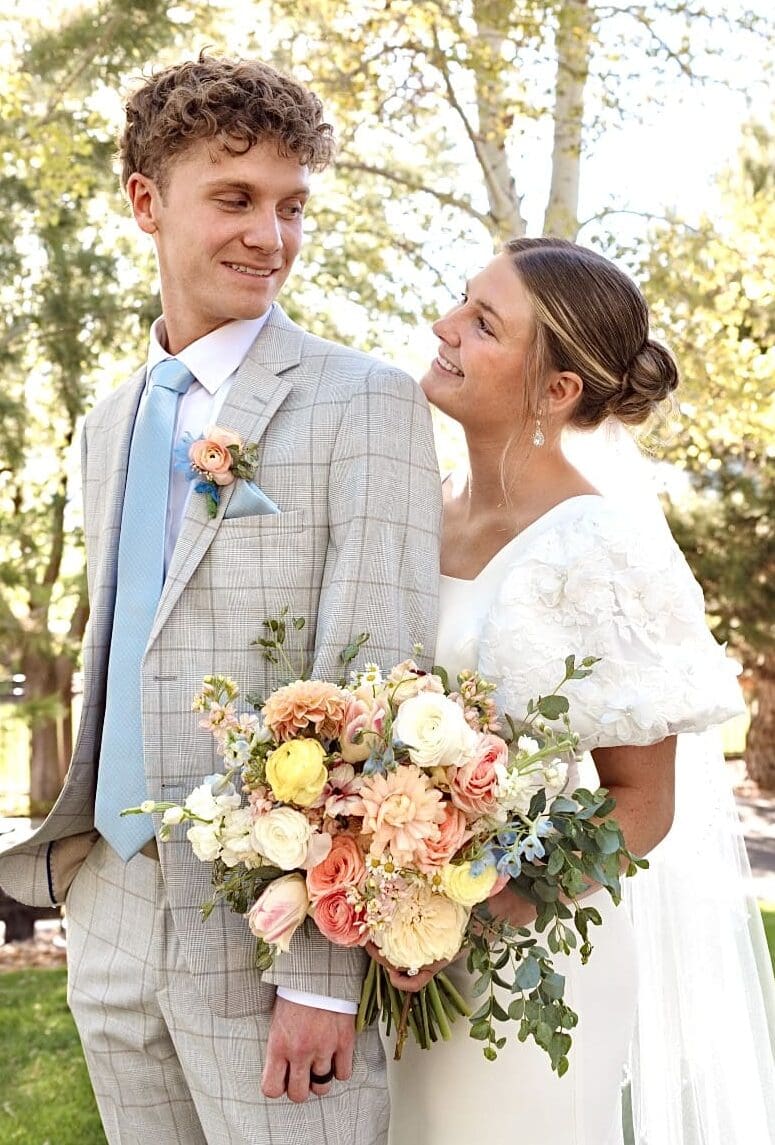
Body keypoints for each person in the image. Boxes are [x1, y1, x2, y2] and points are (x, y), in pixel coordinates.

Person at [0, 54, 441, 1144]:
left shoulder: (366, 402)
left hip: (269, 925)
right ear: (146, 202)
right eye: (235, 198)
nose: (270, 236)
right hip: (109, 908)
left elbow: (374, 685)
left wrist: (327, 972)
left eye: (291, 206)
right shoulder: (109, 422)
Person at [384, 237, 775, 1144]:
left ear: (555, 390)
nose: (444, 327)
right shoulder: (415, 509)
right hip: (386, 951)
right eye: (459, 301)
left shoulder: (600, 547)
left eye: (483, 323)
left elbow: (642, 801)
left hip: (525, 972)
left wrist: (488, 903)